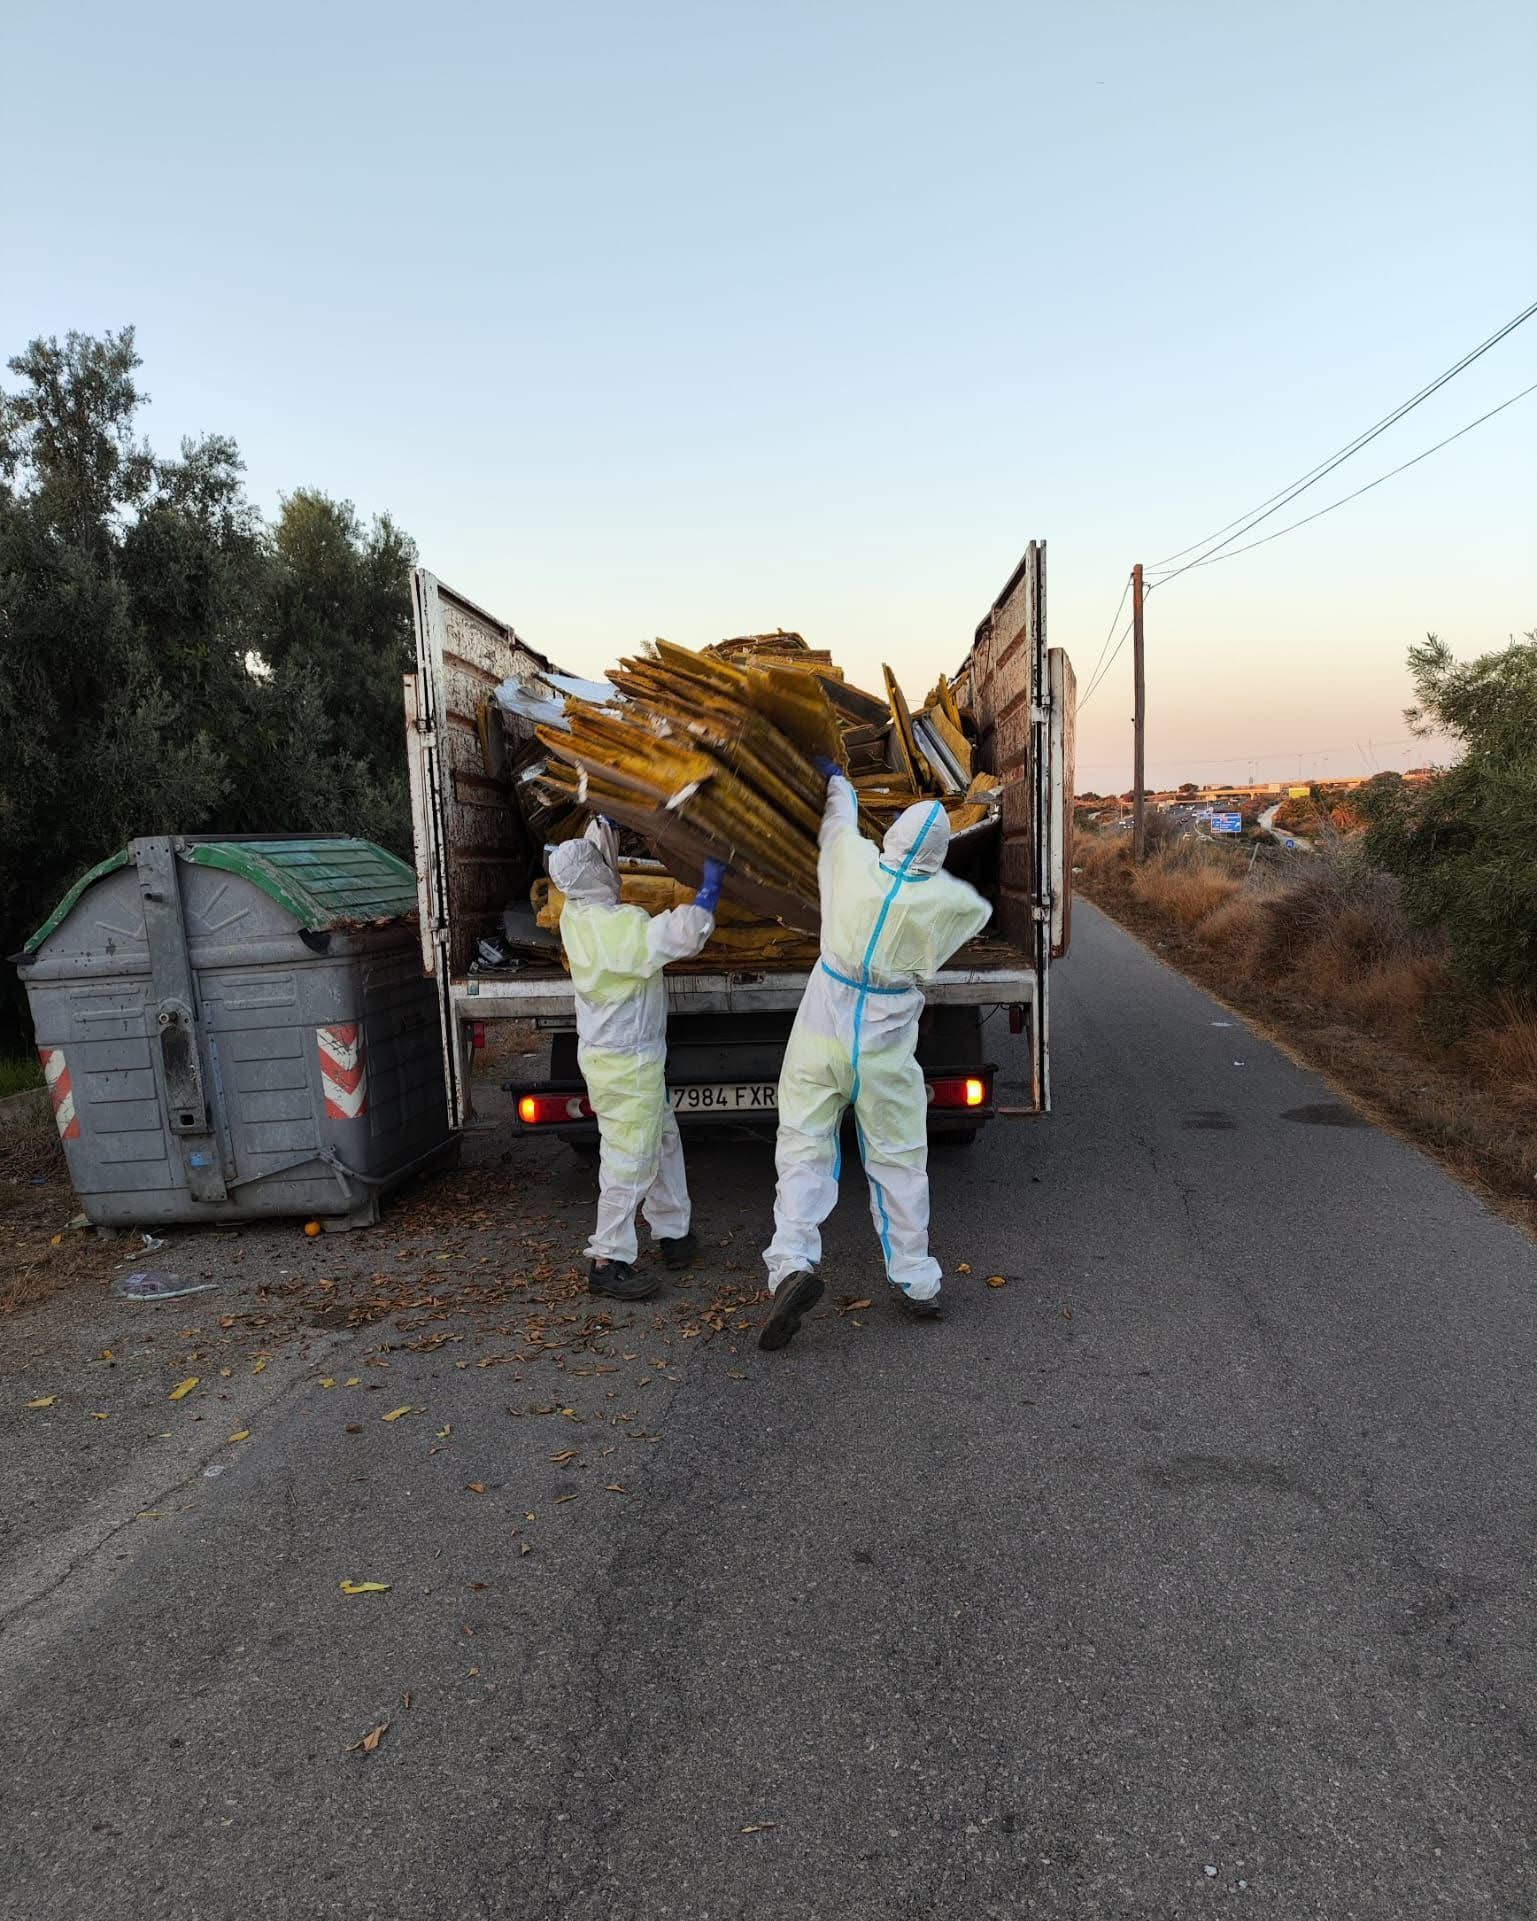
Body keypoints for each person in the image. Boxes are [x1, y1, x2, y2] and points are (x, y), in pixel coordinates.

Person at [760, 760, 991, 1350]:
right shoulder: (949, 902)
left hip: (821, 1035)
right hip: (886, 1052)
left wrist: (839, 783)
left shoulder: (852, 864)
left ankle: (790, 1263)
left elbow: (837, 825)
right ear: (937, 857)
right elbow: (977, 912)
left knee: (804, 1149)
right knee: (900, 1160)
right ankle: (917, 1281)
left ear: (889, 839)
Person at [547, 820, 727, 1301]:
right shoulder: (614, 928)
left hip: (620, 1057)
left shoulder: (578, 915)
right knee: (630, 1160)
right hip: (628, 1063)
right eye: (605, 861)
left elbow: (592, 862)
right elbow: (677, 937)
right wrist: (707, 895)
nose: (613, 867)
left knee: (661, 1142)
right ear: (595, 876)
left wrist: (604, 824)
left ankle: (673, 1234)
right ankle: (609, 1260)